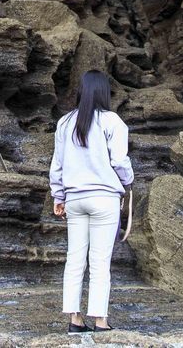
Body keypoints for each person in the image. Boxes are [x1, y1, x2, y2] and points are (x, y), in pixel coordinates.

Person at [49, 70, 133, 333]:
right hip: (104, 200)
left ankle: (74, 320)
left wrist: (58, 195)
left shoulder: (64, 123)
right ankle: (100, 321)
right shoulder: (112, 121)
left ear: (82, 91)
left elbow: (57, 164)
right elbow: (119, 161)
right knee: (99, 261)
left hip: (75, 200)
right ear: (103, 92)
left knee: (74, 259)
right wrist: (128, 182)